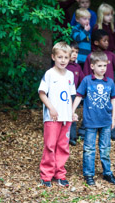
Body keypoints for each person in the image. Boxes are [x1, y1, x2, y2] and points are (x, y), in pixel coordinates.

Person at [72, 51, 115, 186]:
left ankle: (107, 173)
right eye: (99, 66)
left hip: (105, 121)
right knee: (89, 149)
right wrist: (72, 111)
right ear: (92, 66)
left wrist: (113, 119)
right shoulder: (87, 80)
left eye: (105, 66)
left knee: (105, 148)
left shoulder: (109, 82)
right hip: (91, 121)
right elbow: (79, 96)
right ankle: (89, 174)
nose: (103, 68)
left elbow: (114, 100)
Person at [82, 29, 115, 141]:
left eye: (107, 40)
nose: (107, 43)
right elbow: (86, 74)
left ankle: (111, 133)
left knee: (108, 109)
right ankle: (83, 131)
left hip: (107, 89)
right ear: (96, 43)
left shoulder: (111, 55)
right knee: (91, 109)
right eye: (104, 41)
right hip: (93, 90)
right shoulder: (91, 56)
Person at [38, 42, 76, 187]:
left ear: (70, 58)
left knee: (63, 146)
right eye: (60, 57)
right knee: (50, 145)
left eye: (66, 57)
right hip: (52, 117)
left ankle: (59, 174)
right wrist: (51, 108)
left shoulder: (71, 75)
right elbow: (42, 93)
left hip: (66, 118)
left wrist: (72, 113)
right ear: (53, 57)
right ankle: (46, 175)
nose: (63, 60)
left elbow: (71, 96)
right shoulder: (49, 74)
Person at [66, 41, 85, 146]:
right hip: (63, 94)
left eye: (76, 52)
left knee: (72, 114)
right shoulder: (64, 66)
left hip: (74, 95)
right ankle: (63, 135)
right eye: (72, 51)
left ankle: (72, 137)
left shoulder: (77, 67)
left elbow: (83, 80)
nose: (74, 54)